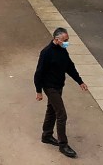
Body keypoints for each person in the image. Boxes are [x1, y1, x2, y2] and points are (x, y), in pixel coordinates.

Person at [34, 27, 88, 159]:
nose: (67, 42)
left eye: (67, 40)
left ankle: (46, 135)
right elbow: (39, 72)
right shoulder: (46, 53)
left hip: (59, 86)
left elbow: (69, 67)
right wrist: (38, 91)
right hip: (50, 87)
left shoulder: (63, 51)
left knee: (52, 110)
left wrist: (79, 81)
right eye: (65, 40)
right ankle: (63, 145)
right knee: (61, 115)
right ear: (56, 39)